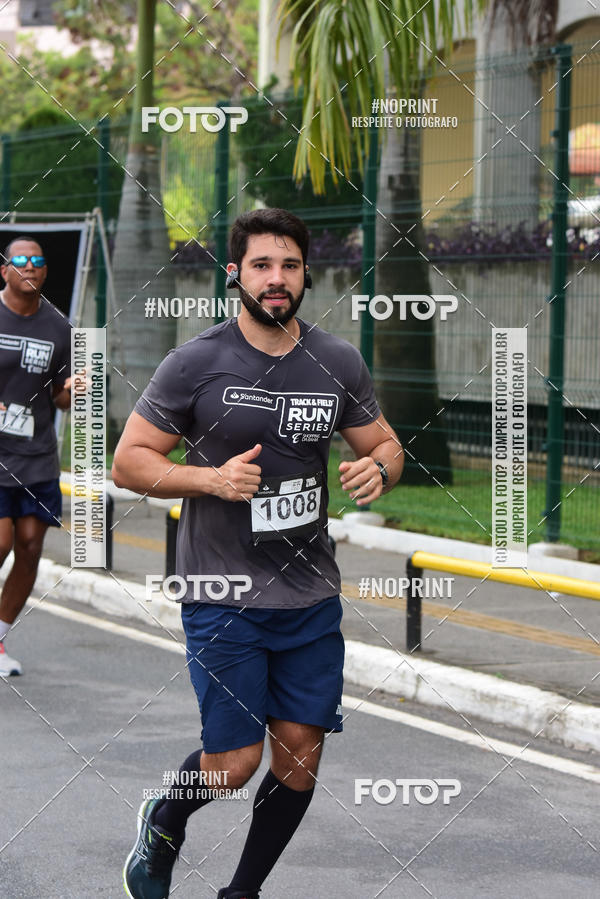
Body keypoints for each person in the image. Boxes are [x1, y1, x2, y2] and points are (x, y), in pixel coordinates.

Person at [113, 208, 404, 899]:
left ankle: (241, 891)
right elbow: (129, 461)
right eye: (262, 265)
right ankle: (165, 817)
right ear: (234, 274)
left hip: (309, 594)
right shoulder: (197, 362)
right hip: (222, 593)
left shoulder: (336, 361)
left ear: (306, 274)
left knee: (300, 756)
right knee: (235, 762)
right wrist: (211, 478)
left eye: (290, 266)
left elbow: (385, 443)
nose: (277, 280)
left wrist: (382, 469)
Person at [0, 237, 72, 677]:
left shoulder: (59, 326)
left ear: (45, 272)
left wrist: (73, 391)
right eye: (20, 260)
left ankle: (0, 639)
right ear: (4, 270)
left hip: (37, 455)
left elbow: (60, 399)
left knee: (28, 549)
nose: (30, 266)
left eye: (38, 260)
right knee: (2, 543)